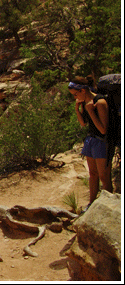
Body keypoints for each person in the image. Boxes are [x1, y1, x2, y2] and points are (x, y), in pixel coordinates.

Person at [68, 75, 112, 212]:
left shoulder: (100, 102)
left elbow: (103, 130)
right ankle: (92, 204)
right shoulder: (85, 103)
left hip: (101, 142)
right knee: (93, 174)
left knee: (104, 176)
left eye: (75, 94)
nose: (75, 97)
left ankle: (110, 207)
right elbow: (83, 123)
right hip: (91, 140)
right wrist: (78, 110)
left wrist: (90, 111)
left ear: (82, 90)